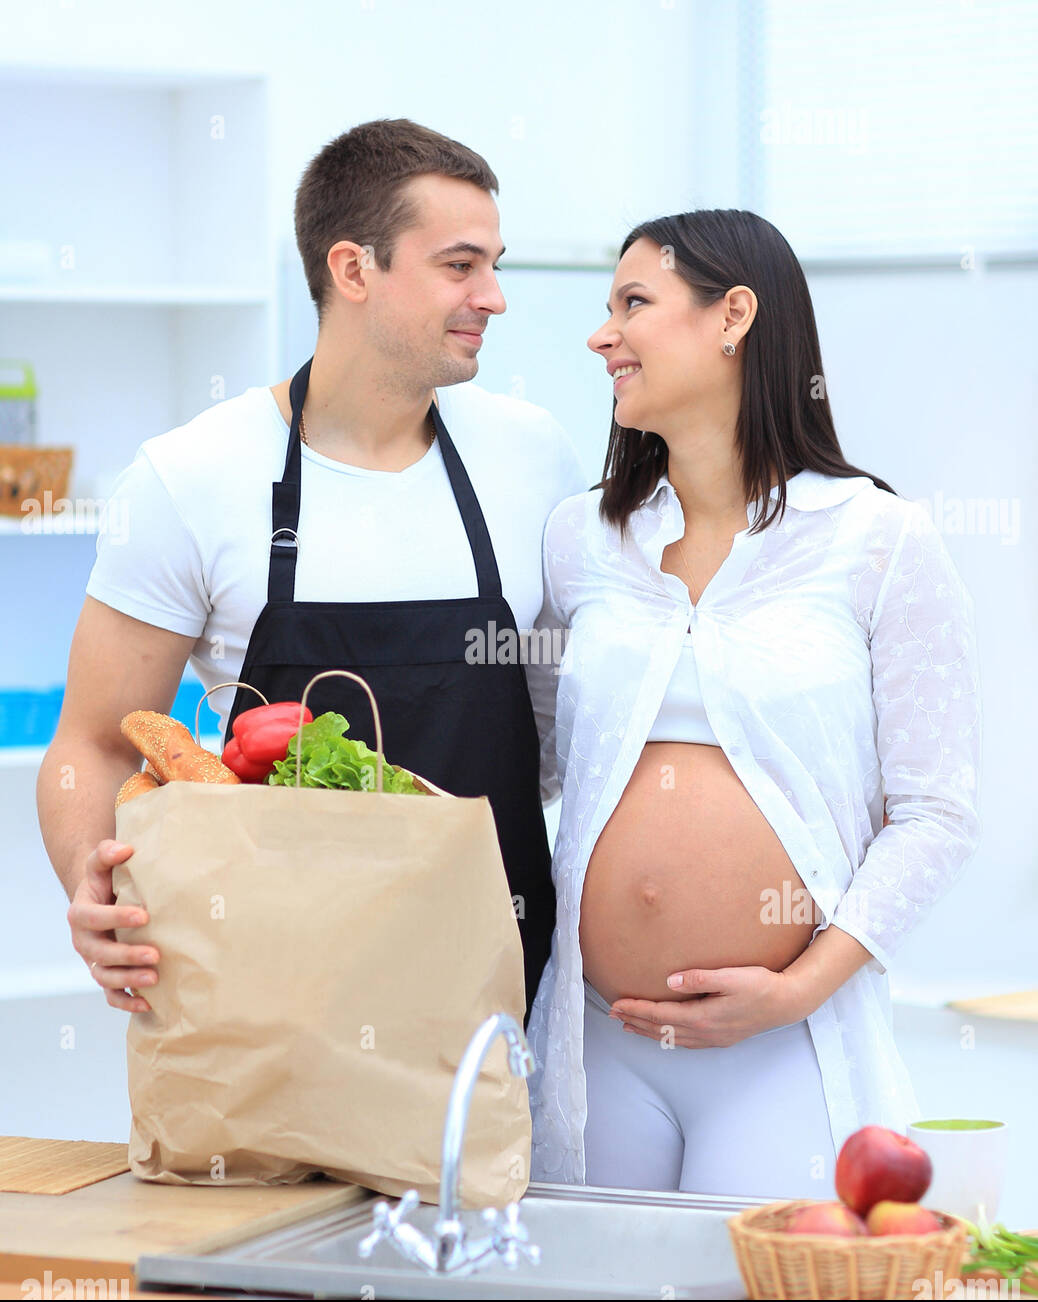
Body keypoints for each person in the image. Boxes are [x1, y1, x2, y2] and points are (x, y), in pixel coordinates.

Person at [40, 119, 584, 1028]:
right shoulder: (191, 476)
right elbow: (93, 742)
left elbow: (565, 726)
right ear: (353, 269)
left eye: (496, 264)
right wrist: (96, 891)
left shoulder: (534, 457)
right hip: (269, 998)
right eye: (460, 265)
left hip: (498, 986)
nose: (492, 297)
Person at [525, 209, 982, 1197]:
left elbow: (937, 813)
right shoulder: (578, 539)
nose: (603, 336)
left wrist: (796, 989)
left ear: (733, 315)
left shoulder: (879, 539)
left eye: (633, 304)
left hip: (786, 1047)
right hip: (595, 1041)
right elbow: (533, 764)